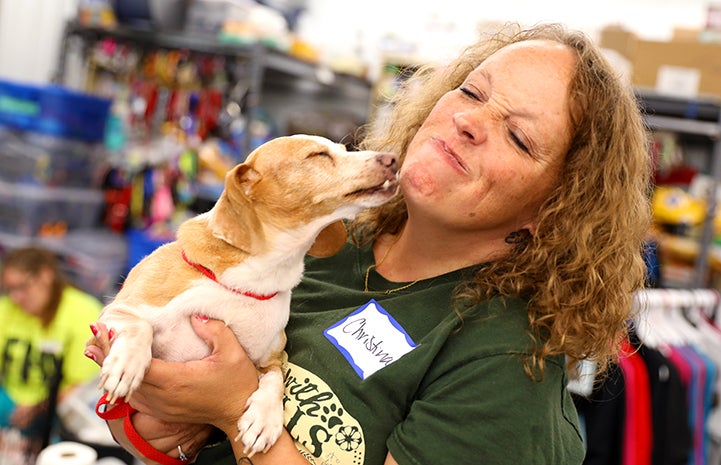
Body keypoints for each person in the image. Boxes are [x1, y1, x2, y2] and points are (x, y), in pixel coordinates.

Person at [86, 22, 651, 465]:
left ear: (557, 209)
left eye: (520, 137)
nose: (470, 122)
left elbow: (222, 407)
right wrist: (154, 420)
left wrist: (235, 410)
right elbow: (144, 419)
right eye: (472, 91)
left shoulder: (504, 360)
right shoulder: (323, 237)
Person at [0, 246, 103, 453]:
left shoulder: (82, 311)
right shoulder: (6, 309)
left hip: (57, 409)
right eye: (9, 289)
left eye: (22, 287)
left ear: (46, 276)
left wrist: (38, 406)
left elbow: (80, 387)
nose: (15, 298)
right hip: (10, 400)